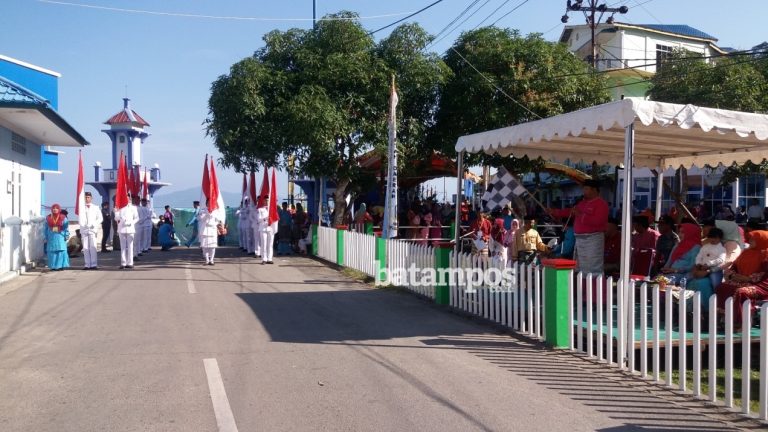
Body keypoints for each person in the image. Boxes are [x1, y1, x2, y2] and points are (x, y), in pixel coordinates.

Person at [715, 230, 768, 327]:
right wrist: (733, 276)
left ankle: (739, 323)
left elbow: (763, 274)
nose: (750, 241)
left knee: (741, 292)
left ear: (761, 240)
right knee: (722, 287)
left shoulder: (766, 255)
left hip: (760, 285)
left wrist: (746, 279)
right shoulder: (745, 253)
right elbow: (733, 267)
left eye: (753, 240)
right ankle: (724, 319)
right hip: (742, 281)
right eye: (750, 239)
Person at [571, 179, 609, 274]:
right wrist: (555, 212)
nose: (584, 192)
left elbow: (597, 221)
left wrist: (580, 214)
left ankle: (594, 287)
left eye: (586, 189)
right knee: (580, 268)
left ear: (594, 190)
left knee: (592, 268)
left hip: (593, 239)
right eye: (584, 189)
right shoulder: (582, 203)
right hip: (580, 239)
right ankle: (582, 287)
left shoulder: (601, 204)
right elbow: (570, 212)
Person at [114, 195, 140, 269]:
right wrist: (116, 212)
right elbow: (116, 218)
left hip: (130, 229)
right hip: (122, 229)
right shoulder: (120, 207)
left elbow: (137, 218)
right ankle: (123, 263)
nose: (127, 199)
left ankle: (130, 263)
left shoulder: (133, 208)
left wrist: (131, 223)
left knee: (130, 246)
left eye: (128, 198)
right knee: (123, 247)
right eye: (126, 198)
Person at [79, 191, 103, 270]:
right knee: (85, 248)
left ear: (91, 198)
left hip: (92, 229)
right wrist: (83, 224)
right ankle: (87, 264)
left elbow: (100, 218)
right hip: (84, 229)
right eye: (86, 197)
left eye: (88, 197)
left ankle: (94, 264)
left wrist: (94, 224)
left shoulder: (96, 207)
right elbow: (80, 218)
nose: (87, 198)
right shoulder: (81, 208)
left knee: (93, 247)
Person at [44, 204, 70, 271]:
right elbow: (45, 228)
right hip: (51, 236)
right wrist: (45, 237)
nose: (55, 209)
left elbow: (66, 227)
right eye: (53, 208)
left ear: (59, 209)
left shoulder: (63, 217)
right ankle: (53, 266)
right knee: (52, 252)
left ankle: (60, 266)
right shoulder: (48, 218)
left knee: (60, 251)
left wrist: (66, 235)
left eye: (56, 208)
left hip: (60, 236)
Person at [197, 200, 222, 265]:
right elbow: (200, 218)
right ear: (206, 203)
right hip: (205, 229)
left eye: (211, 203)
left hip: (212, 229)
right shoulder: (203, 210)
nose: (210, 204)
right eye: (208, 203)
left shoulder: (215, 211)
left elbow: (218, 220)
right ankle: (207, 260)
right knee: (205, 246)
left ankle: (212, 260)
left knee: (213, 246)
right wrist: (207, 214)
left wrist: (214, 223)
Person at [257, 195, 275, 264]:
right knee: (263, 244)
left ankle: (270, 258)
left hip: (270, 228)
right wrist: (265, 218)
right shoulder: (260, 210)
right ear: (263, 201)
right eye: (266, 200)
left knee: (270, 244)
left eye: (268, 200)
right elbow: (258, 220)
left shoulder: (272, 209)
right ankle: (264, 258)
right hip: (263, 228)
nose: (267, 202)